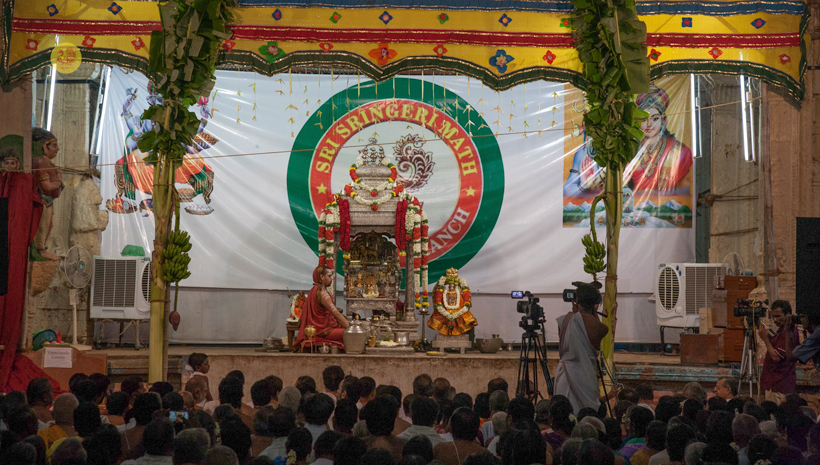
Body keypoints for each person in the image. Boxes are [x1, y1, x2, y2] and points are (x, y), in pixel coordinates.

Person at [554, 283, 608, 413]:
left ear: (576, 300)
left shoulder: (564, 321)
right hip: (587, 378)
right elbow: (593, 326)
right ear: (595, 304)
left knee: (563, 414)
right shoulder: (601, 328)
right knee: (587, 414)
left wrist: (575, 312)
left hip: (565, 377)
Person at [292, 265, 349, 351]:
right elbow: (336, 314)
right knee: (350, 334)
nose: (331, 278)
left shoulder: (314, 290)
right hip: (322, 331)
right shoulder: (322, 294)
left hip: (318, 328)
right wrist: (350, 328)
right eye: (329, 276)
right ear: (322, 277)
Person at [31, 127, 63, 261]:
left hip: (49, 201)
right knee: (42, 226)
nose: (57, 149)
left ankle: (43, 248)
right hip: (41, 200)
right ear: (45, 146)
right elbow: (46, 186)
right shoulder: (40, 162)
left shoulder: (50, 165)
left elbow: (56, 191)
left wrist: (59, 182)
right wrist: (59, 182)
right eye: (54, 146)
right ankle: (40, 250)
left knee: (48, 225)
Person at [758, 300, 800, 403]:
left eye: (778, 316)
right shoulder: (782, 331)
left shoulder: (788, 332)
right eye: (773, 317)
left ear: (788, 315)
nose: (775, 320)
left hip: (779, 385)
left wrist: (765, 339)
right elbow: (776, 346)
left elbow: (776, 357)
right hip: (774, 383)